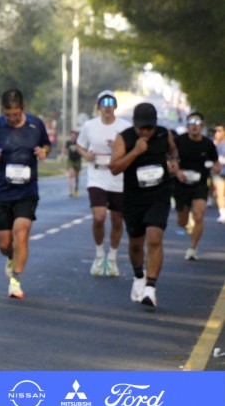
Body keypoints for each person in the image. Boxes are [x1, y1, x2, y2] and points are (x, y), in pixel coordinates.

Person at [0, 89, 51, 299]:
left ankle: (15, 280)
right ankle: (11, 257)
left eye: (16, 114)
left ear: (23, 108)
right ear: (2, 111)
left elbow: (46, 144)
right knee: (4, 244)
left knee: (21, 233)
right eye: (8, 114)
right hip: (2, 192)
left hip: (27, 191)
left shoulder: (36, 125)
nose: (12, 118)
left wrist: (43, 151)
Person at [109, 102, 178, 308]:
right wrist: (135, 152)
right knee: (136, 244)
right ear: (135, 124)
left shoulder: (164, 134)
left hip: (159, 195)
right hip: (134, 199)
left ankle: (150, 288)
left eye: (150, 128)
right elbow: (114, 168)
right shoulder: (124, 138)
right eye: (142, 128)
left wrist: (174, 161)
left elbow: (173, 150)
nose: (146, 132)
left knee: (155, 237)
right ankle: (139, 275)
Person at [76, 90, 132, 276]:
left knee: (117, 219)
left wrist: (117, 148)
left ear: (115, 106)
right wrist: (86, 155)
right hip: (97, 176)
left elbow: (133, 150)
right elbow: (80, 145)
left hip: (118, 178)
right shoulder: (89, 126)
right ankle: (99, 254)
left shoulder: (125, 127)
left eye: (111, 103)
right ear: (98, 107)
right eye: (103, 103)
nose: (107, 107)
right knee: (99, 217)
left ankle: (112, 258)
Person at [172, 112, 220, 260]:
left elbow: (216, 162)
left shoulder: (208, 144)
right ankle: (188, 223)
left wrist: (216, 168)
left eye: (197, 123)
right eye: (191, 122)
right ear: (187, 125)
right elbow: (171, 159)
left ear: (202, 125)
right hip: (181, 184)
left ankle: (192, 248)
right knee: (182, 222)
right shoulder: (179, 141)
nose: (194, 126)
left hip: (200, 184)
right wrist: (177, 171)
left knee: (199, 215)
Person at [64, 130, 82, 197]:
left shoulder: (79, 143)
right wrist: (63, 154)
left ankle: (76, 189)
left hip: (77, 160)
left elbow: (82, 151)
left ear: (76, 137)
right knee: (71, 175)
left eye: (74, 136)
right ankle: (71, 191)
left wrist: (78, 149)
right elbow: (65, 149)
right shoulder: (68, 142)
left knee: (76, 176)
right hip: (70, 160)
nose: (73, 138)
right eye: (72, 136)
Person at [214, 124, 225, 224]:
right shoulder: (215, 144)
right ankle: (223, 215)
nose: (217, 133)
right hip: (219, 173)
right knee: (219, 193)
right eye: (216, 131)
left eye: (219, 131)